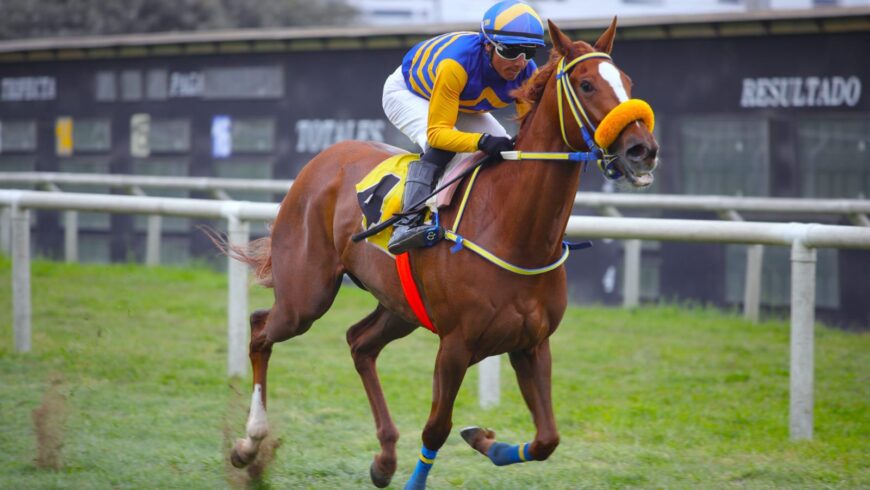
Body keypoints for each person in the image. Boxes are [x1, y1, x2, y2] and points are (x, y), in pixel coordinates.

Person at [382, 0, 545, 254]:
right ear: (489, 46)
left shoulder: (527, 72)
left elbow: (530, 131)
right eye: (511, 52)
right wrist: (481, 142)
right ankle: (406, 222)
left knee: (506, 148)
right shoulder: (455, 65)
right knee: (445, 146)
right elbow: (437, 134)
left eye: (529, 52)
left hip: (459, 102)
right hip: (409, 93)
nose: (520, 63)